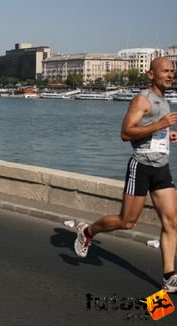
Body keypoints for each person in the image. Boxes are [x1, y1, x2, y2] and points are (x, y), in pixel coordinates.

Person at [74, 57, 177, 293]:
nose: (170, 75)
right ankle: (88, 231)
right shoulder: (142, 99)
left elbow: (153, 130)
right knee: (127, 222)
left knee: (172, 222)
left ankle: (169, 275)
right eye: (165, 71)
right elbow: (126, 133)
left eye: (172, 71)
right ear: (151, 74)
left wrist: (167, 135)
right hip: (140, 168)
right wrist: (159, 125)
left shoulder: (164, 100)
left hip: (161, 168)